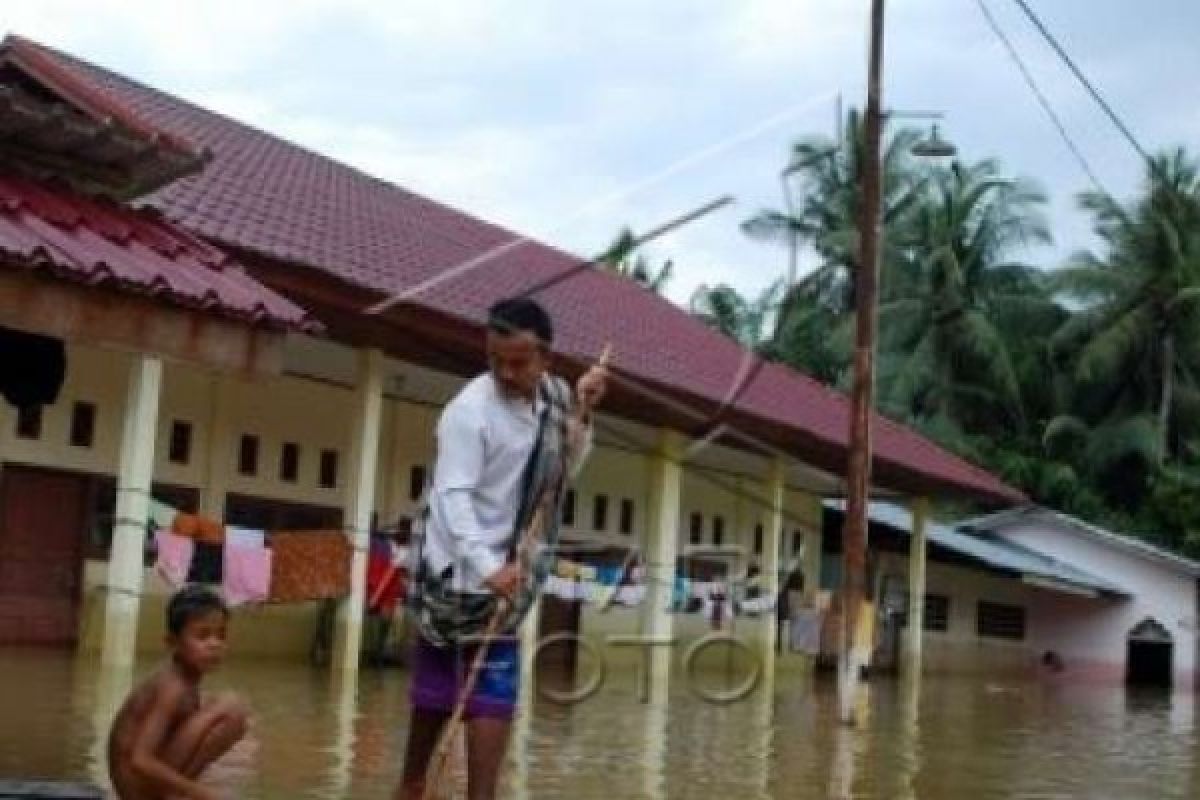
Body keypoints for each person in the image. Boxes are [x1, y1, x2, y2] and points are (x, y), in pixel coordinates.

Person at [396, 297, 607, 800]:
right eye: (496, 361)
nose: (506, 374)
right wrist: (489, 567)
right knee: (417, 769)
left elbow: (560, 474)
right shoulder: (469, 412)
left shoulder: (556, 398)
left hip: (504, 598)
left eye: (519, 363)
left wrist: (584, 411)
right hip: (454, 588)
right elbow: (451, 498)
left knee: (485, 775)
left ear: (546, 359)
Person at [107, 585, 248, 800]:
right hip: (135, 789)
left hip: (141, 786)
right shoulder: (172, 687)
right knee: (230, 708)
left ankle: (174, 793)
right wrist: (201, 793)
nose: (214, 644)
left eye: (221, 635)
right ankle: (174, 794)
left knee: (230, 711)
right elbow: (140, 759)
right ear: (173, 643)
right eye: (202, 636)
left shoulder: (187, 681)